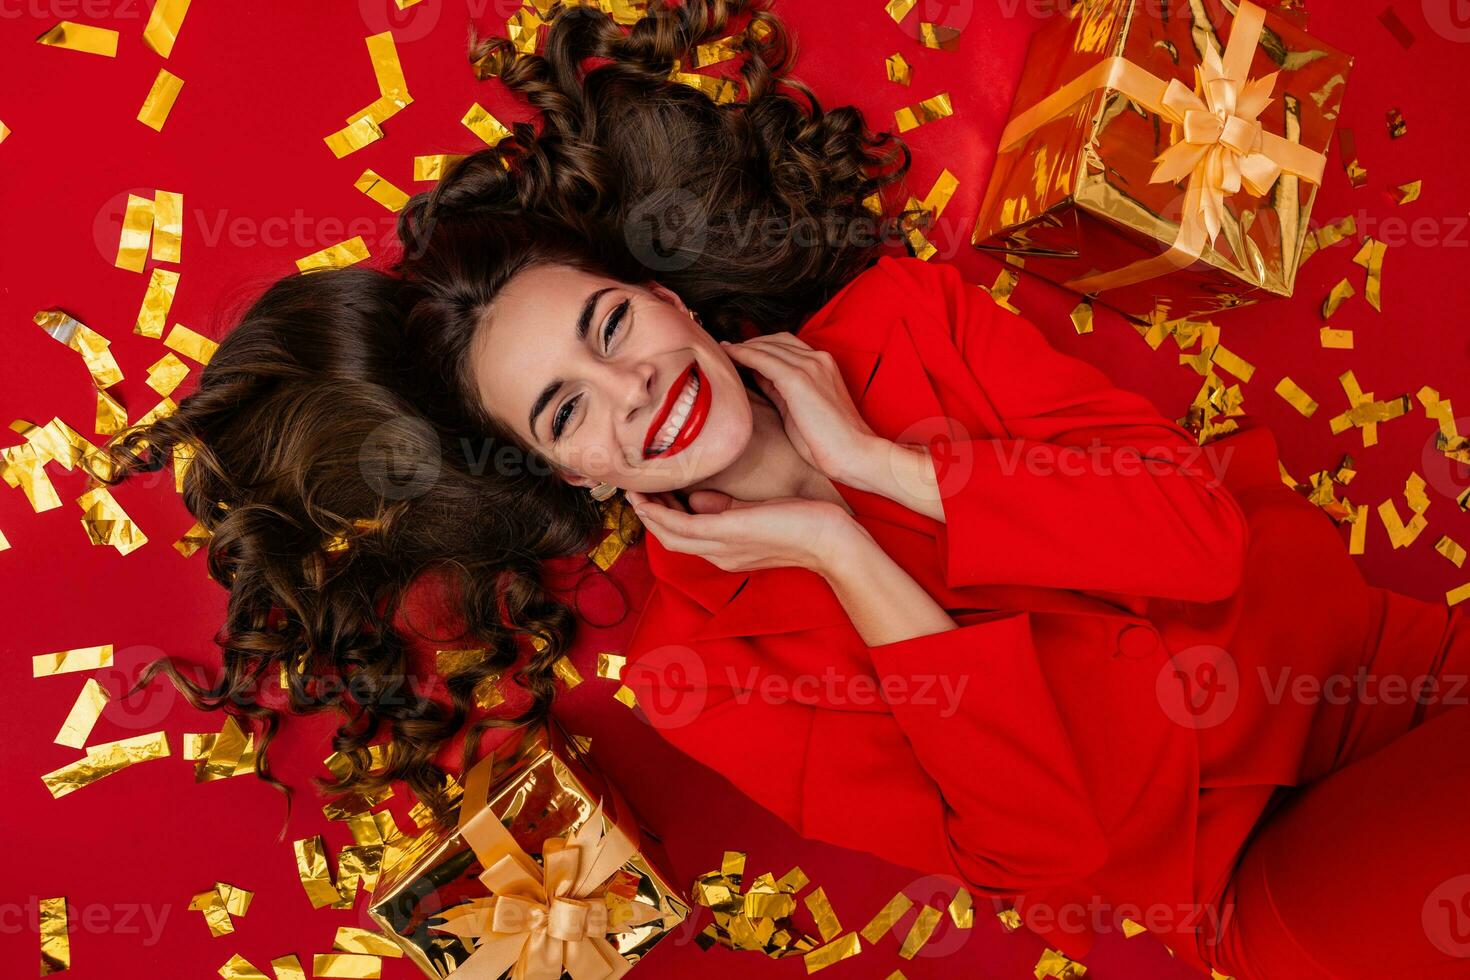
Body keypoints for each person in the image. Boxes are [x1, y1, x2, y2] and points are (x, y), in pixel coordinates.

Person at [102, 1, 1469, 977]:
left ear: (663, 298)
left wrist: (883, 466)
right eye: (571, 407)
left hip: (1398, 673)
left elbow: (1199, 544)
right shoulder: (695, 666)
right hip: (1257, 870)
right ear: (565, 470)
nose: (631, 391)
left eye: (608, 330)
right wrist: (839, 548)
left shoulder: (910, 323)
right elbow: (1051, 852)